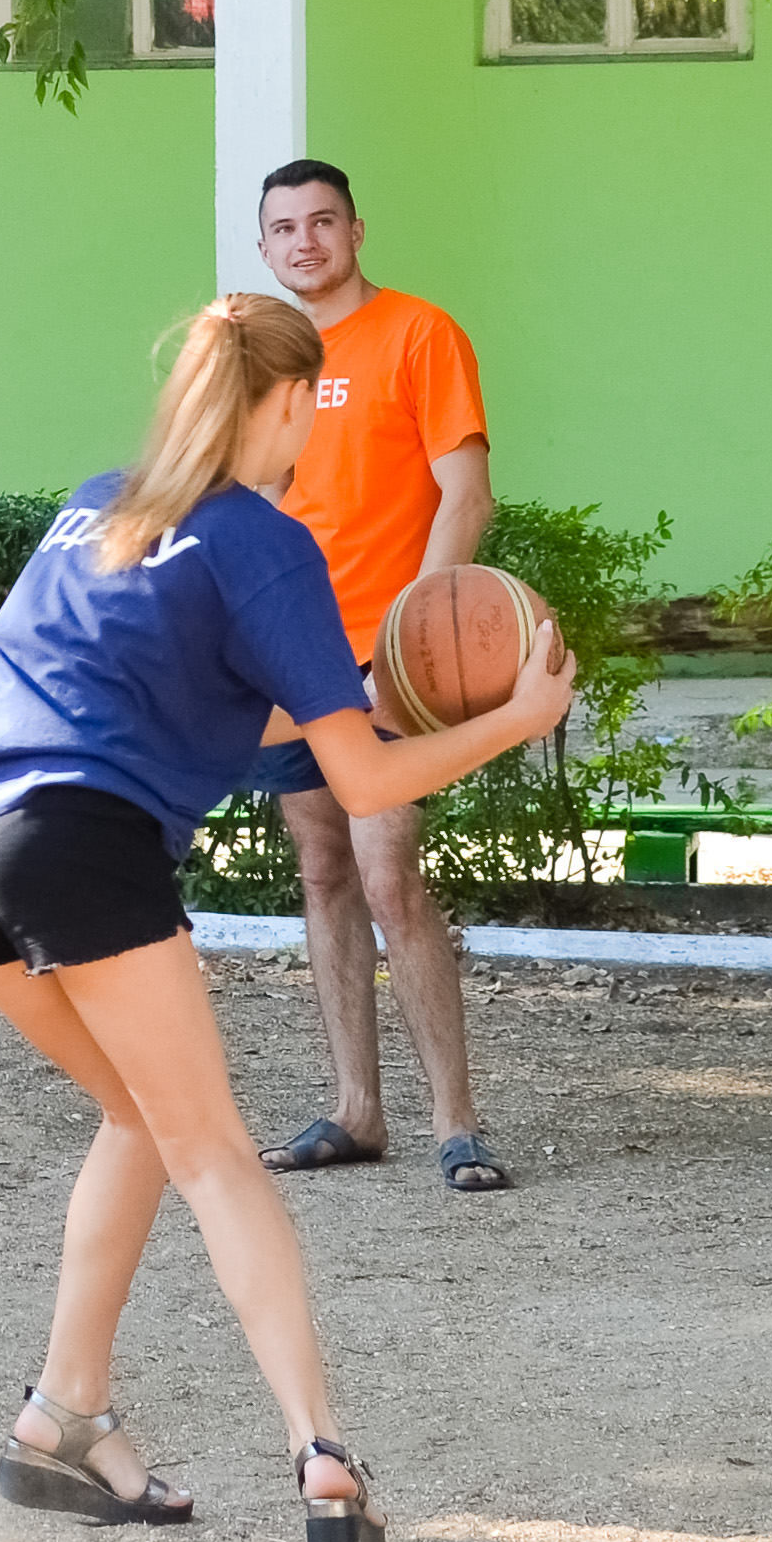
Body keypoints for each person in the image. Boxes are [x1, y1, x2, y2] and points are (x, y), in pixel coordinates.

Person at [0, 295, 574, 1542]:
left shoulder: (99, 505)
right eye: (309, 405)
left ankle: (62, 1414)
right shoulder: (263, 536)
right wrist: (512, 719)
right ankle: (326, 1459)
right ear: (288, 400)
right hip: (67, 834)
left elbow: (195, 705)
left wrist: (354, 697)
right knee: (214, 1152)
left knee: (140, 1118)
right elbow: (363, 782)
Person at [243, 161, 512, 1194]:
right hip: (293, 653)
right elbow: (259, 499)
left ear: (356, 229)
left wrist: (410, 640)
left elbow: (465, 494)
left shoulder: (418, 333)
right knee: (322, 871)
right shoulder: (268, 356)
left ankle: (457, 1122)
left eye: (322, 221)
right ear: (264, 247)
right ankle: (357, 1109)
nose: (304, 241)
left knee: (390, 876)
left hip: (384, 659)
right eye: (283, 228)